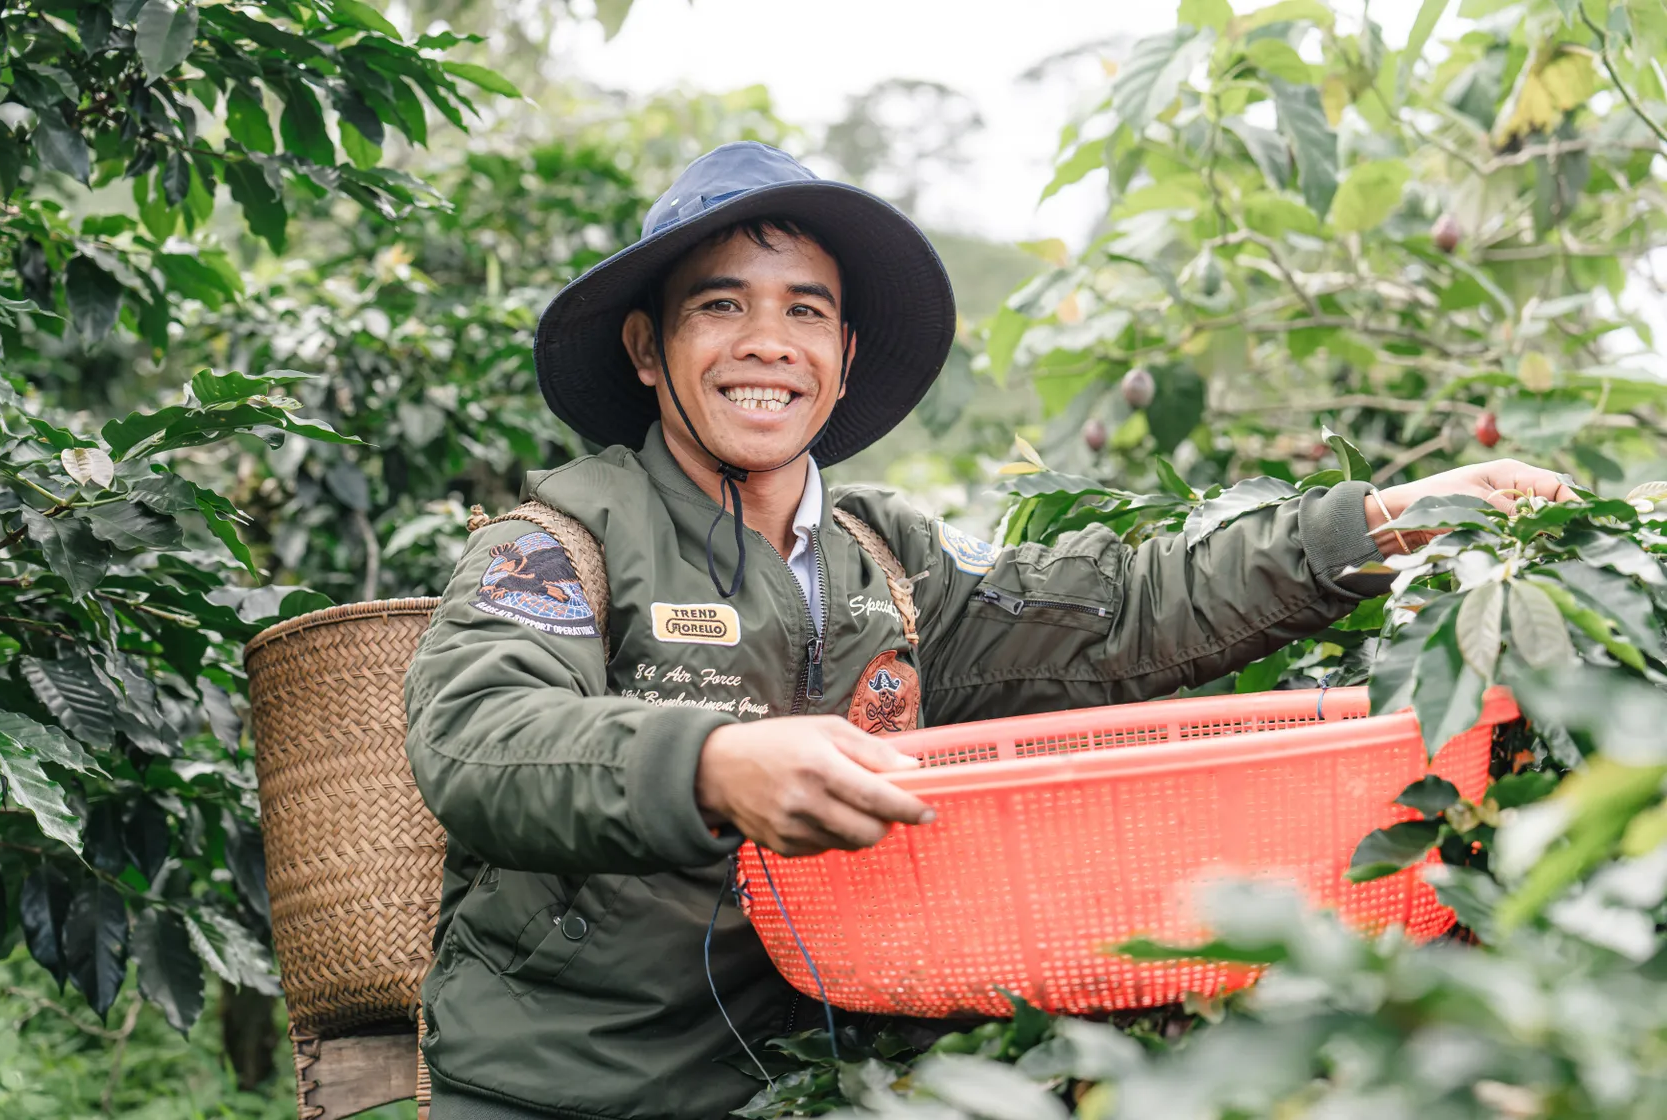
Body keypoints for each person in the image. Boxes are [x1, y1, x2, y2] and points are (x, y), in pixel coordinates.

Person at [403, 142, 1574, 1120]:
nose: (767, 342)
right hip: (560, 1085)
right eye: (720, 306)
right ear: (650, 350)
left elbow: (1120, 610)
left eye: (805, 311)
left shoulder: (890, 558)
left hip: (812, 1076)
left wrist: (1383, 522)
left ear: (844, 358)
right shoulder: (562, 538)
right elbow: (481, 731)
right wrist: (709, 763)